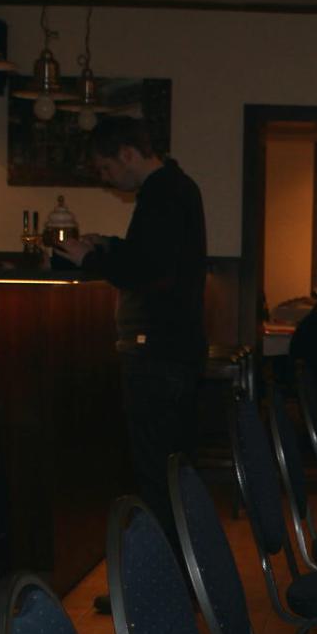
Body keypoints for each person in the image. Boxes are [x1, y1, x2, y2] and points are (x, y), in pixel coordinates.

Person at [53, 116, 207, 597]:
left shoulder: (163, 193)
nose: (106, 178)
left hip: (156, 350)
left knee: (156, 477)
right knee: (170, 475)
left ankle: (161, 589)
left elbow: (151, 271)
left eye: (105, 168)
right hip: (174, 350)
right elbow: (156, 259)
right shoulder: (177, 188)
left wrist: (92, 258)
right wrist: (112, 246)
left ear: (127, 154)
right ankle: (176, 583)